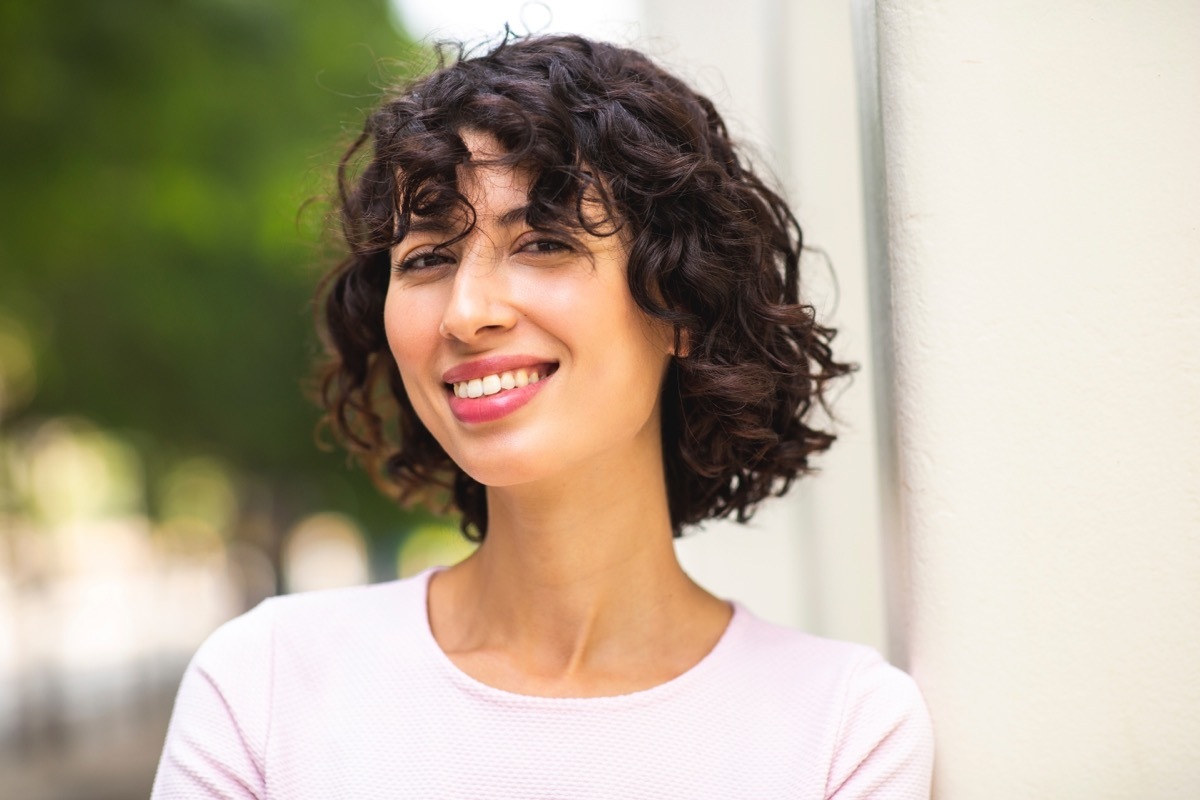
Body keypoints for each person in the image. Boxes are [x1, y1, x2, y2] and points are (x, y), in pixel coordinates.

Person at [151, 33, 933, 798]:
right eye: (426, 259)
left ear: (681, 302)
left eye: (543, 243)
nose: (467, 312)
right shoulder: (265, 687)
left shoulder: (844, 731)